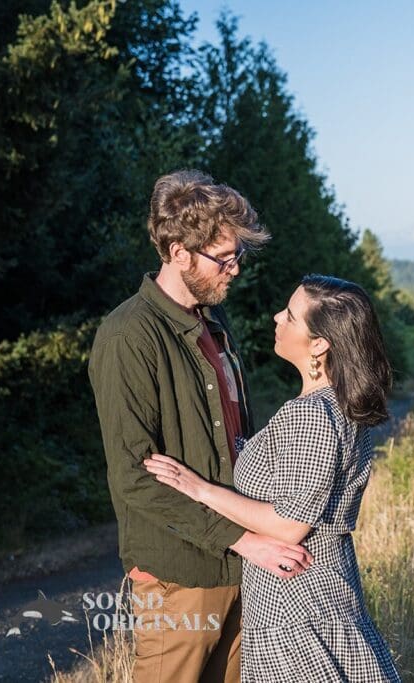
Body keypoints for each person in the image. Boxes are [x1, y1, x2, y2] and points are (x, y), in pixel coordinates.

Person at [88, 170, 313, 683]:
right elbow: (133, 477)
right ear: (177, 251)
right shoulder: (127, 336)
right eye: (224, 257)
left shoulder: (216, 326)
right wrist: (241, 537)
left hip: (241, 568)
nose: (234, 270)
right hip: (179, 577)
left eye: (238, 256)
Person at [143, 275, 402, 682]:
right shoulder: (337, 406)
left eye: (291, 315)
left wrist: (199, 488)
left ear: (319, 344)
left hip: (295, 601)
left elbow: (288, 525)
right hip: (318, 591)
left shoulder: (312, 415)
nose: (276, 316)